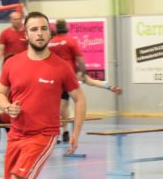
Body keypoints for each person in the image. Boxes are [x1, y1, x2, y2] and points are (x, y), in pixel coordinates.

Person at [0, 12, 86, 179]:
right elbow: (0, 93)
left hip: (43, 134)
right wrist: (7, 107)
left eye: (44, 29)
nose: (39, 33)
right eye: (34, 29)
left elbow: (79, 98)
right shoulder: (12, 63)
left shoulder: (61, 67)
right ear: (26, 34)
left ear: (50, 33)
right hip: (16, 134)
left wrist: (75, 132)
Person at [46, 18, 121, 147]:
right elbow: (80, 59)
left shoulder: (50, 44)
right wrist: (84, 73)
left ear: (55, 30)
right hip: (71, 73)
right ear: (66, 28)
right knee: (90, 82)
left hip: (57, 77)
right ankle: (109, 86)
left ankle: (61, 132)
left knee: (62, 106)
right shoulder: (70, 41)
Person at [0, 10, 27, 79]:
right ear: (11, 20)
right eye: (15, 19)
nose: (18, 21)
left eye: (19, 19)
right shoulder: (5, 33)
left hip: (23, 65)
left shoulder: (27, 32)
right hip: (9, 66)